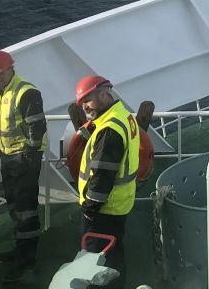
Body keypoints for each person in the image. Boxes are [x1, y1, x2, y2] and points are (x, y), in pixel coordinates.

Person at [0, 49, 47, 280]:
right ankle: (20, 249)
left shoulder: (26, 92)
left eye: (0, 74)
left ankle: (28, 257)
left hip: (24, 158)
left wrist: (28, 157)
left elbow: (37, 127)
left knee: (26, 208)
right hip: (8, 156)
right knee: (14, 205)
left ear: (12, 69)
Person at [74, 75, 140, 289]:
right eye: (82, 102)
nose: (85, 107)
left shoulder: (109, 130)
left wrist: (89, 210)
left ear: (103, 95)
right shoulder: (124, 116)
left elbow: (102, 176)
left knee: (99, 262)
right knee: (114, 254)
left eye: (88, 100)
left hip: (103, 211)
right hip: (119, 205)